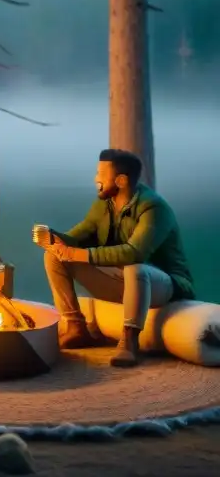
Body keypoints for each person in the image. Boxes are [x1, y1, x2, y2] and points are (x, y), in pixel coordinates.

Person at [34, 148, 195, 368]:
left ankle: (129, 340)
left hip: (162, 285)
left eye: (101, 174)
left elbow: (134, 252)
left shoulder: (153, 208)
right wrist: (54, 238)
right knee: (54, 257)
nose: (95, 179)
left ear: (120, 180)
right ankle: (75, 326)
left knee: (135, 268)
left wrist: (79, 254)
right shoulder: (104, 204)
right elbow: (81, 234)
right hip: (121, 279)